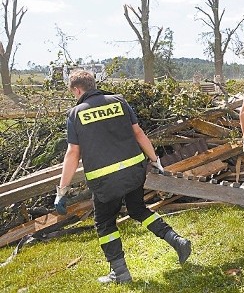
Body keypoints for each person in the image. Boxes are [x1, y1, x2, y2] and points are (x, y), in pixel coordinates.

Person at [55, 70, 191, 284]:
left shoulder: (75, 114)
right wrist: (155, 160)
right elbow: (138, 133)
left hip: (105, 180)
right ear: (93, 84)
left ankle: (120, 273)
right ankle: (177, 241)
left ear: (77, 89)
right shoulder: (119, 101)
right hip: (134, 172)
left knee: (105, 223)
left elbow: (73, 153)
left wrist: (61, 191)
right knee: (138, 209)